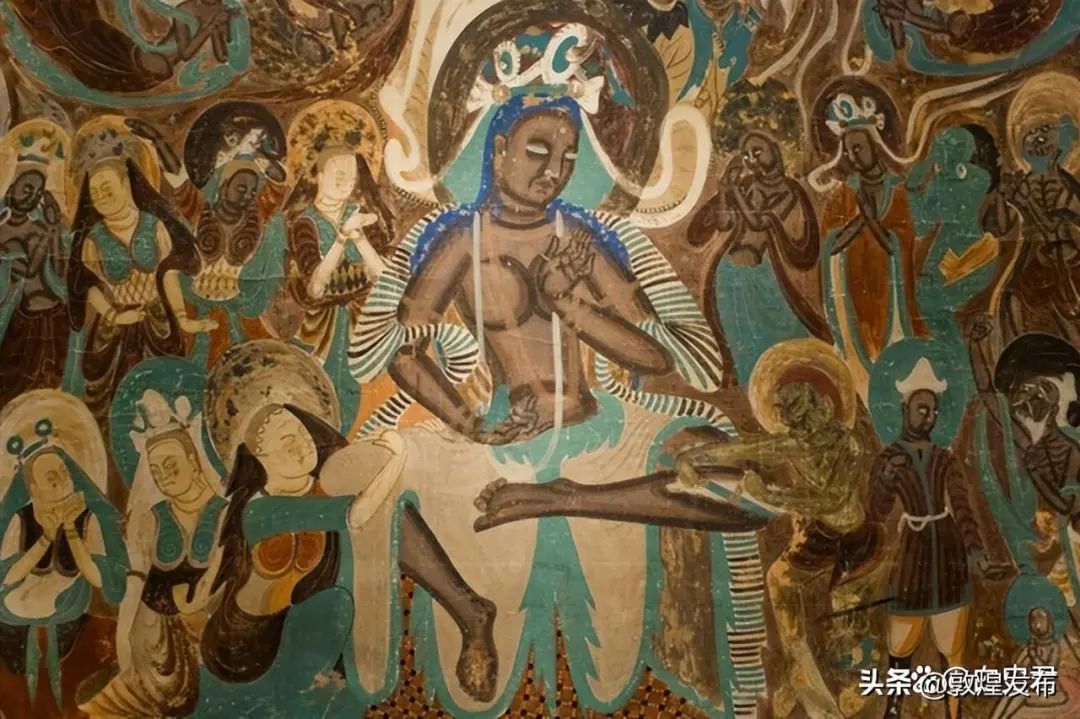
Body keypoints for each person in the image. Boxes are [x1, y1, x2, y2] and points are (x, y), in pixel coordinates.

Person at [347, 30, 750, 711]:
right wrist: (468, 422)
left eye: (567, 158)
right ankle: (471, 610)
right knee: (372, 478)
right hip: (500, 433)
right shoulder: (460, 241)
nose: (554, 171)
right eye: (539, 151)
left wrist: (572, 306)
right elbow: (403, 352)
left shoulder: (579, 238)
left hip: (599, 427)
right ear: (499, 148)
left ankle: (568, 496)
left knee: (725, 468)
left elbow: (654, 355)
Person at [197, 402, 498, 715]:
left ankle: (469, 610)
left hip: (307, 614)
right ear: (261, 458)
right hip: (245, 644)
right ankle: (469, 610)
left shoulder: (322, 485)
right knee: (339, 595)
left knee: (387, 517)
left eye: (302, 433)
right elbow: (356, 515)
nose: (301, 446)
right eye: (286, 442)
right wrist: (397, 458)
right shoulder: (260, 512)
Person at [66, 120, 216, 480]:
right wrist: (113, 316)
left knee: (166, 396)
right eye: (95, 191)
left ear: (128, 185)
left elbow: (168, 275)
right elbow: (89, 286)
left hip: (157, 324)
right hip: (114, 333)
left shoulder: (155, 226)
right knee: (114, 404)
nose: (102, 196)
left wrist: (183, 318)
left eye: (108, 187)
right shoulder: (93, 238)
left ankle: (177, 465)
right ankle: (119, 473)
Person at [80, 390, 225, 718]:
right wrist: (123, 642)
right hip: (152, 639)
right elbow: (135, 584)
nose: (165, 477)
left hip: (209, 633)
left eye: (171, 465)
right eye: (157, 471)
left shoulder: (224, 513)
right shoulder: (151, 519)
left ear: (193, 460)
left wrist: (197, 606)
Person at [869, 357, 996, 719]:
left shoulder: (945, 458)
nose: (929, 417)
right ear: (904, 409)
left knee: (951, 642)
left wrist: (975, 549)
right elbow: (876, 510)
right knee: (901, 638)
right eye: (922, 409)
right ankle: (894, 708)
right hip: (912, 552)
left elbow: (962, 506)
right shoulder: (889, 458)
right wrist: (886, 478)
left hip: (948, 550)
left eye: (934, 411)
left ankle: (954, 711)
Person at [127, 108, 290, 367]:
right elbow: (178, 179)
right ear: (224, 186)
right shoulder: (201, 213)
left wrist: (259, 157)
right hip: (195, 309)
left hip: (238, 312)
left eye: (252, 191)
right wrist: (157, 141)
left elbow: (279, 185)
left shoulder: (255, 219)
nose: (247, 196)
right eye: (241, 188)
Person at [0, 392, 128, 719]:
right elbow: (7, 577)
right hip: (14, 622)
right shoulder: (21, 520)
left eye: (63, 471)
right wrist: (45, 536)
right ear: (33, 488)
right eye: (50, 477)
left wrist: (71, 531)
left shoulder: (87, 519)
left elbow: (100, 578)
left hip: (70, 618)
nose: (60, 481)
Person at [285, 101, 394, 433]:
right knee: (322, 391)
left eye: (351, 175)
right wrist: (341, 239)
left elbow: (385, 277)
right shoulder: (305, 224)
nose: (346, 182)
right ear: (317, 175)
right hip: (321, 327)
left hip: (365, 319)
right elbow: (315, 288)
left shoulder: (360, 215)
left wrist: (358, 237)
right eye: (338, 175)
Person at [687, 130, 829, 386]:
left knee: (782, 327)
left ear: (774, 149)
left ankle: (793, 379)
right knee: (739, 335)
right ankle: (752, 388)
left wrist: (735, 192)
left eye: (757, 151)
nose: (752, 159)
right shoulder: (748, 185)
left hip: (762, 273)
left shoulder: (788, 190)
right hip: (729, 274)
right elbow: (724, 222)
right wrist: (724, 192)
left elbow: (759, 221)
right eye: (747, 155)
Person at [811, 87, 927, 397]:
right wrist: (862, 219)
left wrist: (871, 220)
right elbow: (831, 247)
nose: (853, 156)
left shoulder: (899, 193)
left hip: (891, 295)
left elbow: (898, 246)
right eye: (848, 151)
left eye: (858, 148)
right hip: (853, 293)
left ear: (875, 145)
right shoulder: (842, 195)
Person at [0, 124, 71, 409]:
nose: (31, 195)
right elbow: (19, 274)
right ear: (11, 186)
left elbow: (58, 272)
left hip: (50, 318)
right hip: (16, 321)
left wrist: (54, 230)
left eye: (38, 191)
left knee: (46, 387)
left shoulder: (40, 228)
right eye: (27, 188)